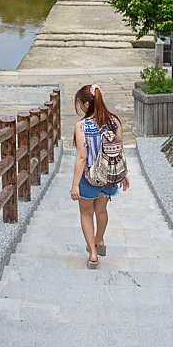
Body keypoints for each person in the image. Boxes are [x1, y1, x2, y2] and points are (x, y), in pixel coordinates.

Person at [70, 84, 129, 269]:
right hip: (109, 176)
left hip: (89, 177)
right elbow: (119, 150)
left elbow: (81, 157)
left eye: (80, 103)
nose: (79, 106)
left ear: (87, 104)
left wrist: (74, 185)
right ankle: (100, 239)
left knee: (86, 213)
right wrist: (124, 174)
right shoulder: (114, 122)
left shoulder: (82, 126)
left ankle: (93, 255)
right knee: (101, 210)